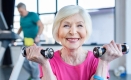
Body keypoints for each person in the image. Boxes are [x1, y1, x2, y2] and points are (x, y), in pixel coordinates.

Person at [25, 5, 123, 80]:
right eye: (66, 25)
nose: (73, 31)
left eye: (79, 25)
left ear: (86, 31)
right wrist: (44, 64)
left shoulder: (98, 60)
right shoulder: (48, 60)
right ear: (57, 31)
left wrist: (104, 62)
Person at [16, 2, 44, 80]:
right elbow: (21, 27)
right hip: (26, 42)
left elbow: (41, 25)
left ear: (25, 9)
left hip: (35, 41)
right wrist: (16, 35)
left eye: (21, 11)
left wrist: (38, 36)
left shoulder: (33, 15)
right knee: (23, 61)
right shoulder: (22, 17)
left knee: (34, 62)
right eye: (19, 12)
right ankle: (33, 76)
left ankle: (36, 78)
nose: (20, 13)